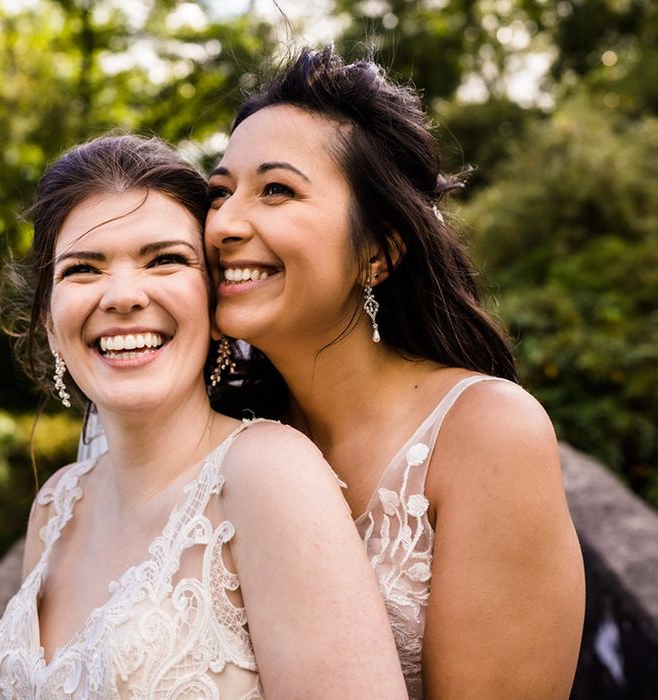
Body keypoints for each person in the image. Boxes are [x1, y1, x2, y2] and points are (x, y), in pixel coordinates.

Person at [203, 46, 586, 699]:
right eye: (218, 192)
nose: (224, 224)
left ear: (378, 252)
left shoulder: (487, 434)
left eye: (276, 189)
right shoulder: (221, 436)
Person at [0, 134, 409, 698]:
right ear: (48, 320)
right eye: (83, 270)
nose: (123, 296)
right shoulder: (56, 505)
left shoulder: (267, 475)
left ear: (214, 310)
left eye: (164, 260)